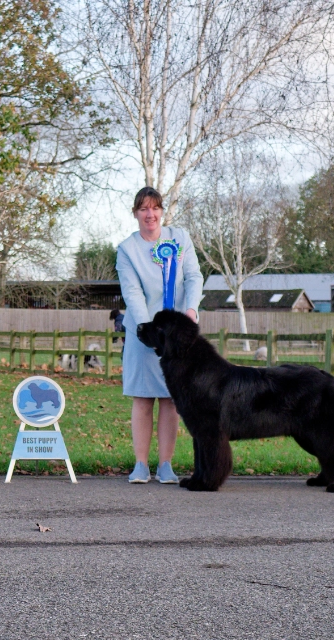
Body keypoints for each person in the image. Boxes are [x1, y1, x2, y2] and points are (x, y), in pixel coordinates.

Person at [115, 187, 204, 484]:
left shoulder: (180, 238)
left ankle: (166, 465)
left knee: (171, 399)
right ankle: (140, 465)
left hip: (178, 336)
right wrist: (147, 331)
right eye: (143, 209)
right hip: (146, 334)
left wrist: (191, 310)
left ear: (162, 211)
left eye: (155, 208)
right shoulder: (127, 250)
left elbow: (193, 276)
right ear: (135, 213)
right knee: (142, 398)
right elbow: (132, 292)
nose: (150, 214)